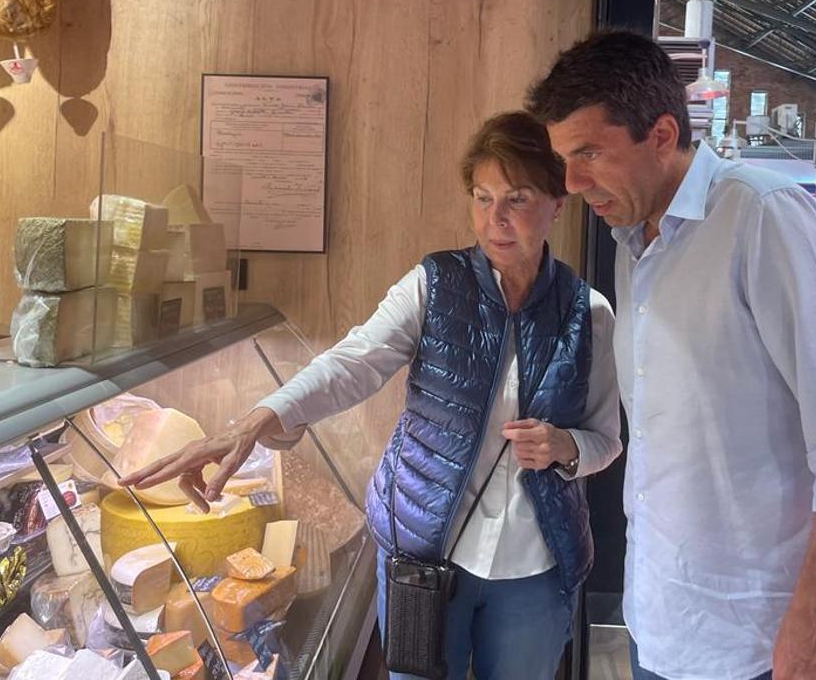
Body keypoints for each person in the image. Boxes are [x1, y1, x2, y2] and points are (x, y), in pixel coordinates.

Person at [123, 112, 623, 680]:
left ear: (558, 203)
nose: (495, 220)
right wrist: (255, 421)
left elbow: (606, 439)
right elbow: (353, 361)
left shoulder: (590, 314)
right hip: (424, 554)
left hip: (534, 564)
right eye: (482, 199)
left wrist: (566, 447)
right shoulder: (436, 285)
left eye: (517, 199)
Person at [525, 30, 816, 680]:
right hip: (665, 621)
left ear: (663, 134)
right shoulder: (633, 242)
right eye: (564, 157)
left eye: (589, 152)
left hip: (768, 637)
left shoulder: (764, 216)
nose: (571, 181)